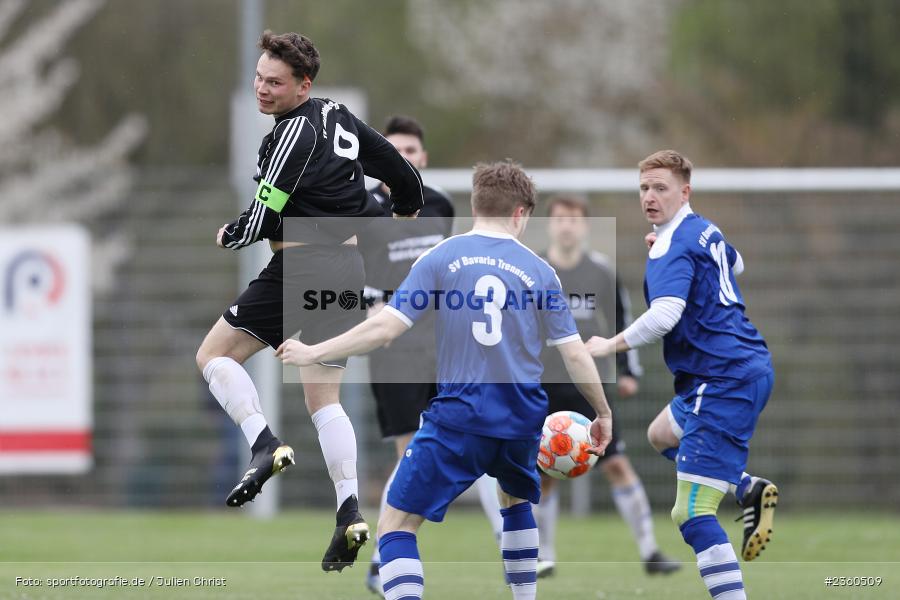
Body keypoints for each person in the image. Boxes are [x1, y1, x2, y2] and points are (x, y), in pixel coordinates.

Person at [277, 160, 614, 600]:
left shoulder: (441, 257)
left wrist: (315, 351)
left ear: (476, 205)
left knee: (395, 526)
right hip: (521, 420)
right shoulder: (540, 272)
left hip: (459, 418)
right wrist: (602, 412)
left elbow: (385, 328)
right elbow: (574, 353)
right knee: (516, 505)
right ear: (521, 213)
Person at [194, 31, 424, 572]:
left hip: (300, 265)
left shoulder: (289, 137)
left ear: (304, 85)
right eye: (258, 77)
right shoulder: (338, 115)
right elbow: (396, 165)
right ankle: (349, 512)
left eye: (275, 82)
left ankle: (263, 443)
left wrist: (229, 233)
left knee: (213, 356)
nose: (262, 89)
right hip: (344, 269)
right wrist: (407, 205)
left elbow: (264, 214)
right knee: (325, 402)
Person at [587, 150, 778, 600]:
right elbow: (738, 264)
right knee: (660, 435)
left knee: (690, 513)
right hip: (735, 369)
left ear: (684, 191)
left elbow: (665, 315)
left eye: (660, 188)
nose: (649, 198)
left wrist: (609, 345)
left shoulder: (673, 243)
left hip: (723, 378)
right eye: (644, 188)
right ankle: (746, 486)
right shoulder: (703, 229)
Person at [357, 116, 504, 595]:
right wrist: (370, 301)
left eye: (412, 151)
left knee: (478, 438)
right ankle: (385, 557)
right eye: (393, 151)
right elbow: (345, 271)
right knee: (408, 450)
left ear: (423, 157)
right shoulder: (360, 208)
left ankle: (510, 542)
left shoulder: (439, 203)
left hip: (447, 346)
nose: (404, 159)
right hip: (393, 347)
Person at [536, 194, 680, 576]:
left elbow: (621, 320)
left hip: (587, 386)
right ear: (550, 224)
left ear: (584, 227)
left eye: (575, 219)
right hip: (542, 385)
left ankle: (650, 551)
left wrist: (628, 370)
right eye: (560, 219)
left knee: (616, 463)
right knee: (543, 471)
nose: (567, 225)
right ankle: (543, 555)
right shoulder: (534, 270)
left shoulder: (600, 272)